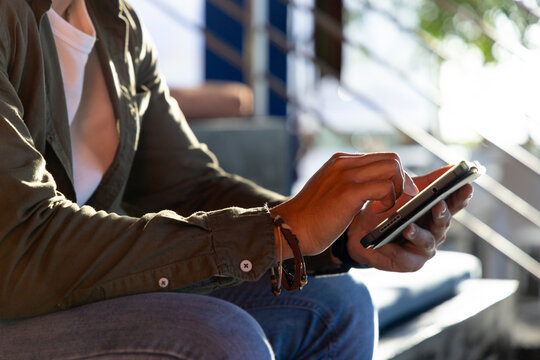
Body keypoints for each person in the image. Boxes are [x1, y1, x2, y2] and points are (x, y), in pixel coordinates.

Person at [0, 0, 474, 359]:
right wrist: (278, 230)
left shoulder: (115, 25)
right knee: (218, 337)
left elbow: (186, 186)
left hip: (60, 296)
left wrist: (333, 236)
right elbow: (22, 242)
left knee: (334, 303)